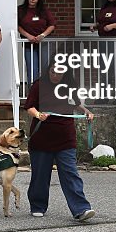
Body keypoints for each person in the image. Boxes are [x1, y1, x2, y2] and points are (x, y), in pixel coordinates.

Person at [24, 62, 96, 222]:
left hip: (65, 137)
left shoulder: (70, 86)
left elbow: (77, 104)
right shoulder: (39, 85)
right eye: (52, 72)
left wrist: (87, 112)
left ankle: (81, 209)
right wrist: (38, 115)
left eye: (59, 72)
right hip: (42, 138)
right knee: (40, 175)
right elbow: (29, 107)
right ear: (48, 70)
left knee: (70, 173)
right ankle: (37, 205)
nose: (55, 75)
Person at [17, 0, 55, 86]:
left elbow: (52, 25)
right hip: (29, 44)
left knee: (45, 68)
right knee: (32, 69)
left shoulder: (44, 11)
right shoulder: (21, 10)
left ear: (38, 0)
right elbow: (18, 26)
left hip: (44, 44)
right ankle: (33, 93)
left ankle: (45, 93)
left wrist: (42, 35)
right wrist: (28, 36)